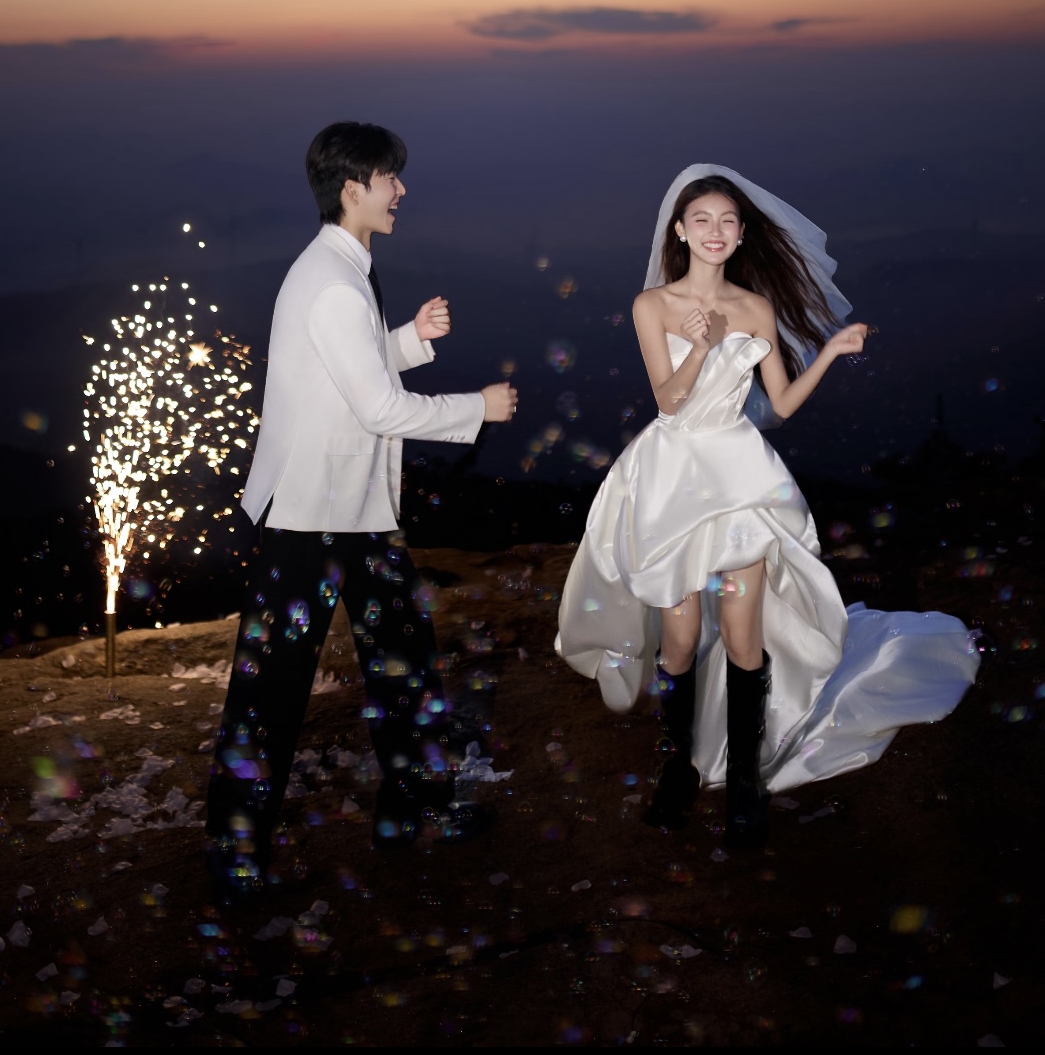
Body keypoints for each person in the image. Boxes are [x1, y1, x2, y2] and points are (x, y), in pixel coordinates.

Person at [556, 164, 978, 850]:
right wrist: (700, 345)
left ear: (742, 233)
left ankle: (745, 783)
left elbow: (779, 404)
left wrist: (830, 352)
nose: (715, 231)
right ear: (679, 231)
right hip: (671, 480)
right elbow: (668, 400)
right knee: (681, 640)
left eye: (728, 221)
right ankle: (678, 768)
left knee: (743, 636)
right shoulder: (652, 304)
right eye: (702, 220)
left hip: (740, 479)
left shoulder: (756, 308)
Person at [206, 121, 517, 901]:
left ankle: (413, 810)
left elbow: (344, 369)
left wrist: (409, 338)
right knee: (273, 690)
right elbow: (378, 408)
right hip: (311, 518)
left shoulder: (340, 267)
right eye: (389, 178)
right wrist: (475, 408)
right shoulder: (335, 283)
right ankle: (235, 857)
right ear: (353, 189)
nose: (400, 190)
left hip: (352, 511)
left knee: (405, 660)